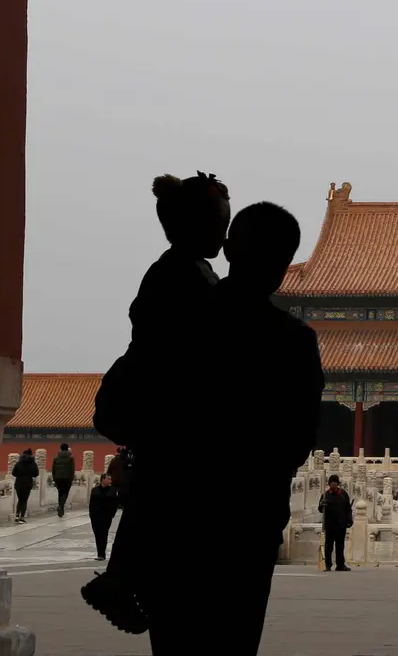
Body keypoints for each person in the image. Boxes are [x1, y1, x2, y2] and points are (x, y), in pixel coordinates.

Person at [150, 201, 324, 652]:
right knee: (234, 639)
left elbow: (114, 410)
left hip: (176, 516)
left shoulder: (179, 323)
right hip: (248, 523)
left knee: (174, 643)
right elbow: (300, 440)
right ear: (287, 267)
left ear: (227, 249)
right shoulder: (294, 342)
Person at [84, 172, 231, 635]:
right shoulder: (178, 275)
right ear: (190, 226)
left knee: (157, 494)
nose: (223, 236)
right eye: (217, 224)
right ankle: (119, 581)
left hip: (165, 407)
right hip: (166, 408)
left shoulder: (186, 270)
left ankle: (122, 579)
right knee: (161, 494)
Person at [319, 475, 353, 572]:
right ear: (329, 484)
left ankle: (340, 565)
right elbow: (320, 509)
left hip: (341, 525)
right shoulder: (325, 495)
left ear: (338, 483)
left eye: (335, 482)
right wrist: (322, 504)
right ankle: (328, 565)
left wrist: (349, 520)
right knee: (328, 546)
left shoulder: (343, 494)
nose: (334, 484)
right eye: (332, 482)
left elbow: (348, 509)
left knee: (340, 546)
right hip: (329, 525)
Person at [88, 473, 118, 561]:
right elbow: (91, 504)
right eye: (108, 479)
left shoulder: (113, 490)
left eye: (110, 479)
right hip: (96, 517)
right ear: (102, 479)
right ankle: (99, 553)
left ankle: (102, 554)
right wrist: (91, 515)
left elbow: (115, 504)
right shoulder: (94, 490)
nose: (110, 481)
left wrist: (112, 514)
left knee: (104, 534)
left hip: (106, 517)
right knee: (97, 534)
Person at [11, 448, 38, 524]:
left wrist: (20, 475)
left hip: (19, 483)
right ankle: (22, 517)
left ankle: (17, 515)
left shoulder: (18, 463)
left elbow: (13, 473)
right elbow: (36, 474)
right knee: (24, 500)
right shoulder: (33, 463)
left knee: (20, 500)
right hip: (28, 483)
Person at [52, 442, 76, 517]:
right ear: (67, 448)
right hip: (67, 478)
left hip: (58, 478)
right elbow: (72, 470)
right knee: (65, 493)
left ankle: (61, 509)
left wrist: (54, 479)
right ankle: (61, 506)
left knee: (60, 492)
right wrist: (71, 479)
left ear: (60, 449)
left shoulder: (56, 459)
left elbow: (53, 470)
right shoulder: (70, 458)